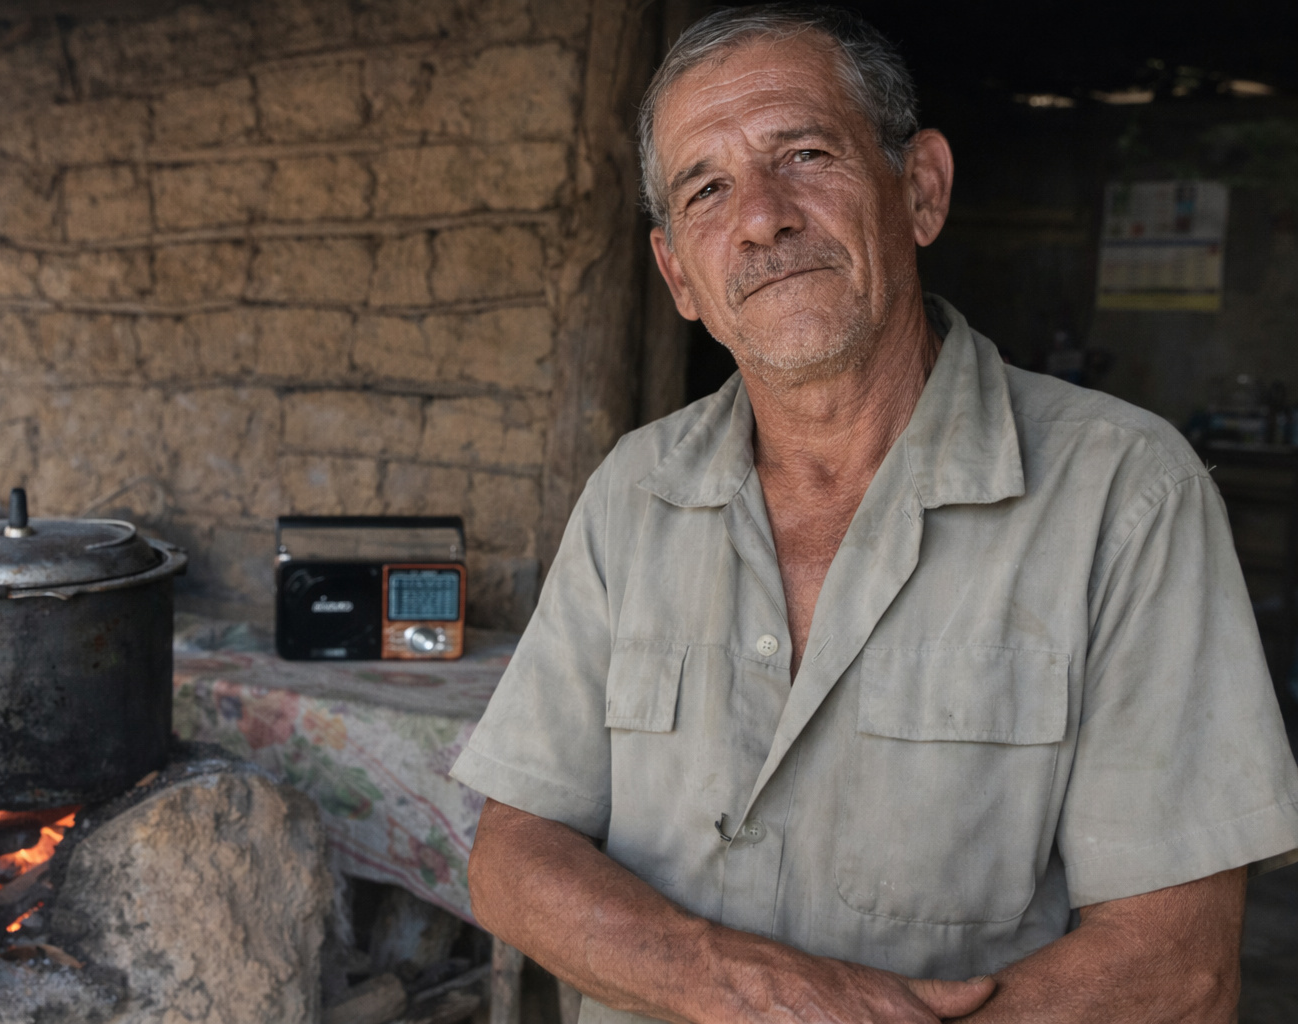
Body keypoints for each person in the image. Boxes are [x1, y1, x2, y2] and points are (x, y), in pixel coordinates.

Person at [449, 5, 1298, 1023]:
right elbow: (512, 855)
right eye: (708, 188)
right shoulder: (631, 494)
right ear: (679, 274)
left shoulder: (1127, 493)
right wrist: (750, 989)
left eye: (803, 154)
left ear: (920, 191)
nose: (762, 217)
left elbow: (1178, 966)